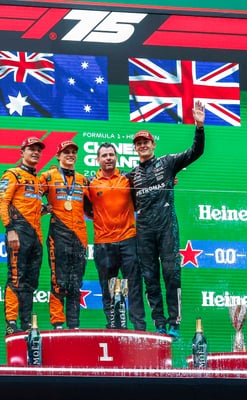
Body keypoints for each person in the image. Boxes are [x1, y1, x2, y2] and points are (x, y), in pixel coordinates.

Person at [128, 100, 206, 339]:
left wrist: (199, 127)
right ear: (135, 148)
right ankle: (159, 324)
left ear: (153, 144)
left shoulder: (168, 162)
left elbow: (195, 152)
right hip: (144, 231)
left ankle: (174, 322)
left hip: (167, 228)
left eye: (146, 142)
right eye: (138, 143)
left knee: (172, 274)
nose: (142, 145)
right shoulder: (130, 176)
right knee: (150, 279)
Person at [85, 143, 146, 331]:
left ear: (116, 157)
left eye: (111, 154)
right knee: (108, 287)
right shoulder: (90, 183)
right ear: (98, 159)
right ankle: (113, 326)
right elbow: (86, 209)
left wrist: (171, 180)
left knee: (134, 285)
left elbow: (147, 189)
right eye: (104, 155)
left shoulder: (128, 179)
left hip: (129, 239)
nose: (108, 158)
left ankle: (139, 327)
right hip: (103, 243)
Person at [0, 136, 46, 336]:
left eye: (38, 150)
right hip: (18, 232)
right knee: (16, 278)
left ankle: (26, 323)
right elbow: (3, 202)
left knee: (30, 282)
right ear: (22, 152)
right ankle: (11, 323)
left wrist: (45, 209)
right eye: (31, 149)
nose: (35, 152)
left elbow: (29, 207)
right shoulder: (12, 174)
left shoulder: (38, 180)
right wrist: (10, 229)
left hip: (36, 236)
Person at [39, 140, 90, 329]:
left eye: (73, 152)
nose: (70, 155)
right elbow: (29, 197)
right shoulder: (48, 176)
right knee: (59, 281)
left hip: (80, 237)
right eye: (66, 152)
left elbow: (96, 205)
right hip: (58, 234)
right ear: (58, 156)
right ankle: (58, 324)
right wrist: (44, 208)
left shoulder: (83, 180)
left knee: (76, 284)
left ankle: (74, 326)